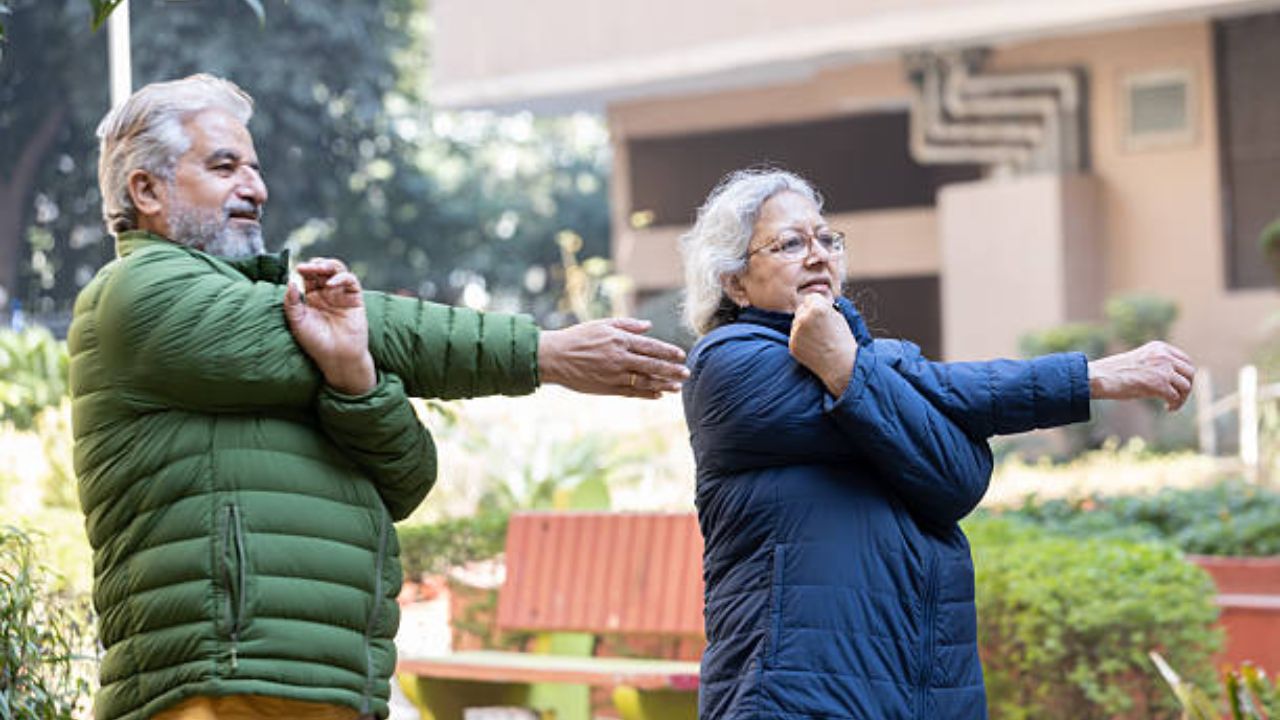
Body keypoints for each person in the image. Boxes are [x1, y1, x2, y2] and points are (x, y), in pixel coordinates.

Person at [70, 74, 687, 720]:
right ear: (147, 190)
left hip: (333, 687)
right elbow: (391, 327)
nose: (256, 187)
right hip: (218, 684)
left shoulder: (298, 332)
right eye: (224, 166)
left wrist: (355, 378)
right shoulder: (135, 293)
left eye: (255, 168)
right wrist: (546, 353)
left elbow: (409, 477)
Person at [678, 168, 1195, 719]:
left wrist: (846, 366)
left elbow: (960, 478)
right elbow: (943, 394)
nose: (818, 255)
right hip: (795, 697)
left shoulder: (871, 366)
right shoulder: (725, 366)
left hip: (922, 692)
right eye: (789, 243)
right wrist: (1088, 377)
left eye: (826, 238)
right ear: (735, 282)